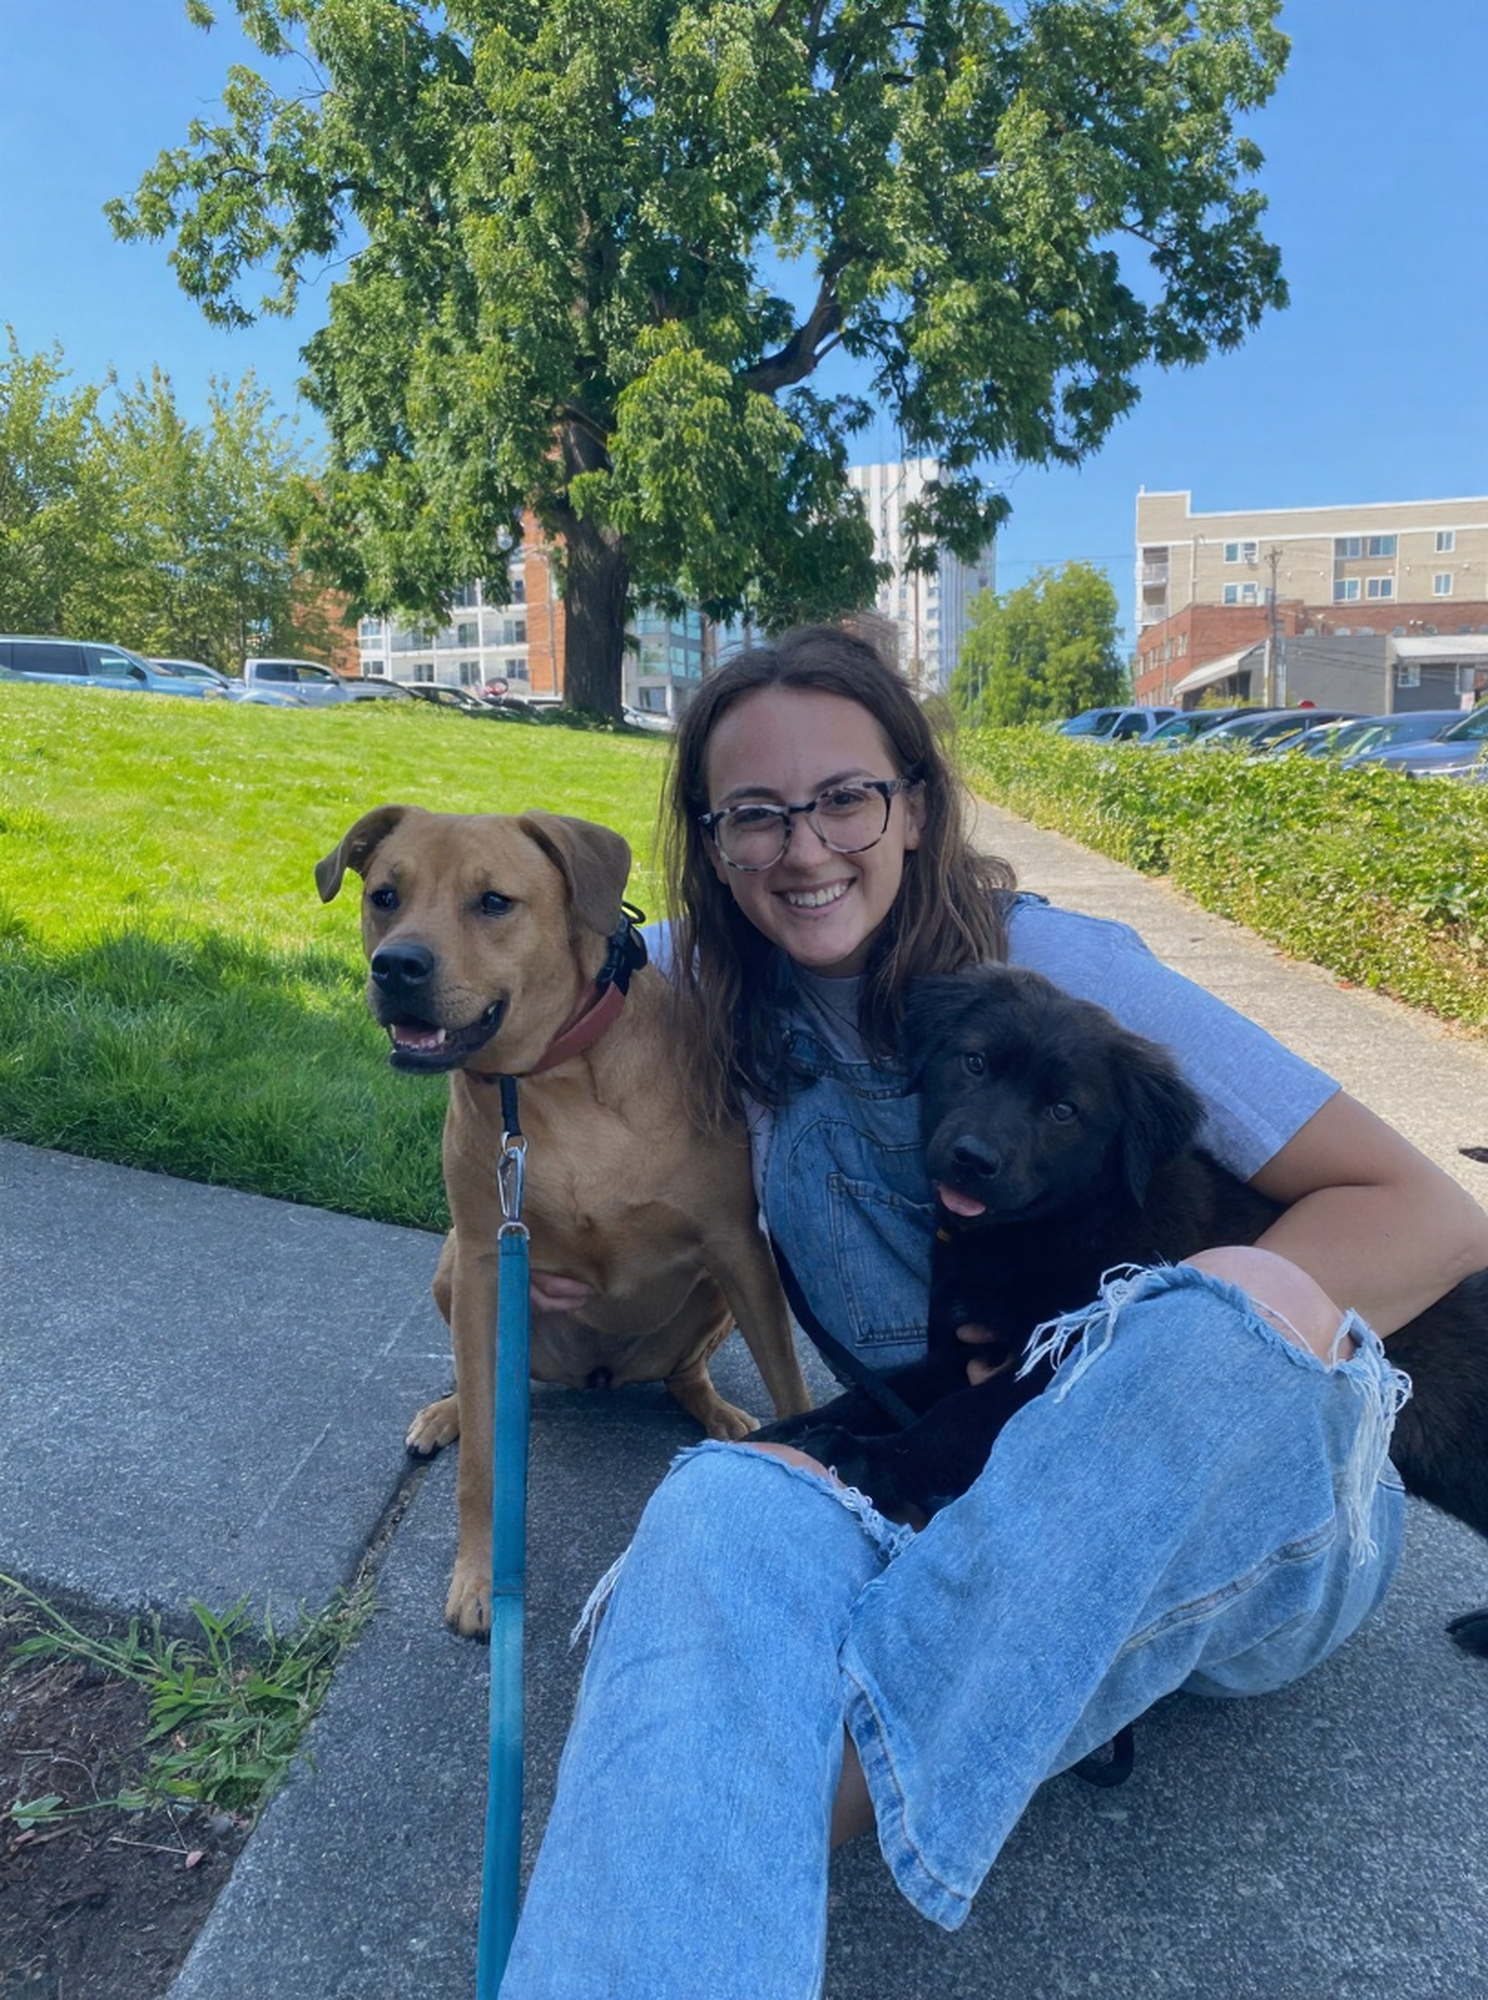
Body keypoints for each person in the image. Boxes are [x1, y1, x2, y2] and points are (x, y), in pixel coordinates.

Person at [503, 625, 1488, 1998]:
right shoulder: (706, 985)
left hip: (1228, 1503)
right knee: (720, 1502)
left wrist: (1137, 1355)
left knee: (1217, 1308)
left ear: (914, 801)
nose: (805, 848)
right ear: (712, 841)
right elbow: (515, 977)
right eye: (755, 816)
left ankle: (790, 1801)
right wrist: (527, 1235)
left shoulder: (1072, 975)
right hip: (942, 1466)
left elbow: (1440, 1219)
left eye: (846, 797)